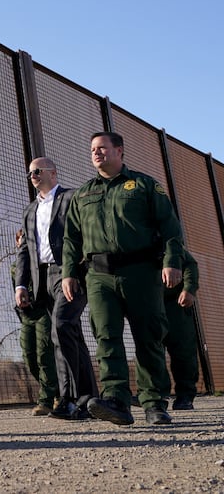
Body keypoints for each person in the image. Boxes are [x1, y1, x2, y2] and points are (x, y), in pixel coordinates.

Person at [62, 131, 183, 426]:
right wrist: (69, 272)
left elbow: (169, 228)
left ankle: (154, 402)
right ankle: (116, 399)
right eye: (93, 149)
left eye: (102, 148)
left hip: (140, 272)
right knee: (106, 337)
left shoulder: (144, 185)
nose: (96, 153)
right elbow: (71, 238)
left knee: (148, 336)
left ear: (119, 150)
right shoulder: (83, 193)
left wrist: (172, 262)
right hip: (99, 276)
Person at [15, 157, 98, 421]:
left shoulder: (72, 197)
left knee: (61, 326)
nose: (33, 176)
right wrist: (20, 284)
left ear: (53, 172)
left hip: (69, 272)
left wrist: (74, 270)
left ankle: (67, 399)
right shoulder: (29, 210)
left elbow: (85, 234)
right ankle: (89, 400)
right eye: (29, 173)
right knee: (71, 333)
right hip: (42, 280)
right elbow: (25, 252)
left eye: (37, 171)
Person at [12, 229, 59, 416]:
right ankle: (54, 391)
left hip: (44, 312)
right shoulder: (15, 268)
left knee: (44, 354)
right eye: (21, 238)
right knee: (29, 356)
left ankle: (46, 400)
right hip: (26, 316)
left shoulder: (43, 263)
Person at [163, 249, 200, 410]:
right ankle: (155, 395)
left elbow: (190, 264)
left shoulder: (165, 239)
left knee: (183, 349)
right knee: (149, 348)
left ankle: (185, 395)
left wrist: (189, 289)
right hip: (148, 301)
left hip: (175, 302)